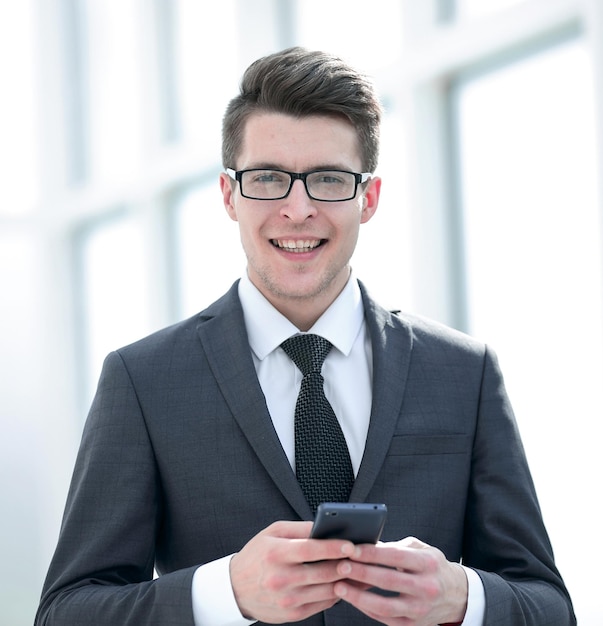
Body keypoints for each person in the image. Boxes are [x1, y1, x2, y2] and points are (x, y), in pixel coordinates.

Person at [35, 46, 575, 626]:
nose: (298, 209)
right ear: (228, 195)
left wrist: (464, 598)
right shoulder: (143, 381)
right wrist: (224, 595)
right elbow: (67, 610)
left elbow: (548, 606)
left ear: (368, 198)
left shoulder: (463, 374)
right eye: (267, 178)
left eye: (328, 179)